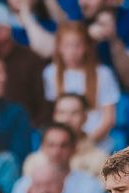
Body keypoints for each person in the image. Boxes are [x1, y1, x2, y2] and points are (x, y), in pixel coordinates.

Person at [43, 22, 119, 152]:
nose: (72, 52)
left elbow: (109, 118)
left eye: (77, 46)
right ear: (59, 48)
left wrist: (87, 142)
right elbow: (53, 114)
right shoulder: (50, 73)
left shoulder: (103, 73)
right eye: (67, 46)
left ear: (87, 47)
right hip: (62, 144)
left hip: (96, 143)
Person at [24, 93, 108, 179]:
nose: (67, 119)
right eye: (62, 113)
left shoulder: (100, 159)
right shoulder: (35, 161)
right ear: (54, 116)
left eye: (74, 113)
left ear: (85, 117)